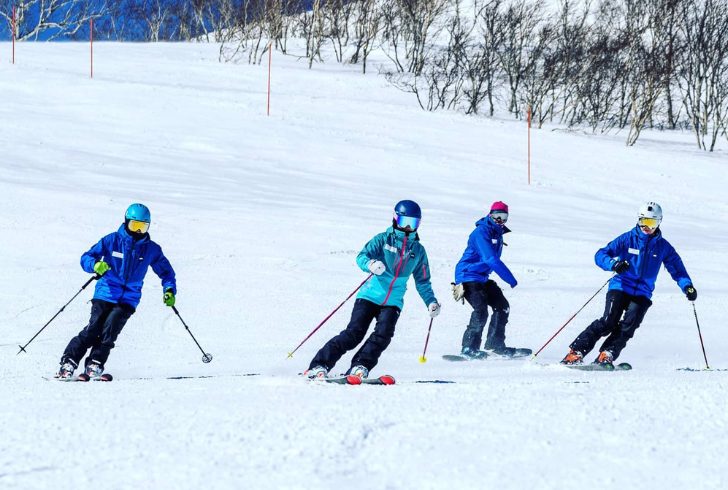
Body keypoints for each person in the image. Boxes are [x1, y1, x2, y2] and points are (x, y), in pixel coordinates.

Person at [305, 200, 440, 379]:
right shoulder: (383, 239)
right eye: (404, 222)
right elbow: (362, 256)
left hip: (393, 302)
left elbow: (423, 281)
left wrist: (431, 301)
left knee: (383, 336)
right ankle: (318, 365)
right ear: (395, 219)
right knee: (354, 333)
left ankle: (360, 366)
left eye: (413, 223)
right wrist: (371, 264)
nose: (408, 227)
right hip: (369, 296)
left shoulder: (418, 250)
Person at [561, 202, 696, 366]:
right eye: (643, 221)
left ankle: (607, 354)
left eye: (651, 223)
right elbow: (601, 254)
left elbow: (677, 269)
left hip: (642, 292)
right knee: (608, 322)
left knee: (628, 326)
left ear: (659, 222)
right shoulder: (627, 239)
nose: (646, 227)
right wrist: (613, 264)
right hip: (620, 286)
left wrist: (687, 286)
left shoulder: (663, 247)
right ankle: (575, 352)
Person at [56, 203, 177, 379]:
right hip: (106, 292)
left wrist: (169, 290)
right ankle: (69, 362)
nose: (138, 231)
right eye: (134, 226)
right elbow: (87, 257)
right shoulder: (112, 240)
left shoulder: (151, 249)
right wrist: (95, 265)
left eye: (143, 227)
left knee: (110, 330)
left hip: (129, 298)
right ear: (126, 222)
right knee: (93, 329)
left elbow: (166, 272)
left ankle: (95, 364)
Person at [452, 201, 530, 359]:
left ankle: (495, 344)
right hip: (467, 276)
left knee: (502, 307)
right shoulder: (481, 232)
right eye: (497, 216)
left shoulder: (497, 233)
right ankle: (468, 348)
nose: (500, 220)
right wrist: (510, 279)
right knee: (480, 310)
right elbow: (490, 259)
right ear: (490, 214)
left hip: (482, 278)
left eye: (504, 217)